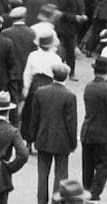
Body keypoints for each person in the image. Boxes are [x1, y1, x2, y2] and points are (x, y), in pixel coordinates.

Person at [30, 63, 78, 204]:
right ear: (66, 77)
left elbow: (34, 118)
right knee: (61, 175)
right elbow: (71, 123)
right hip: (62, 141)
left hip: (43, 138)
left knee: (42, 174)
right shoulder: (69, 96)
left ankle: (41, 201)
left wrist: (33, 137)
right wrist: (73, 143)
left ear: (52, 75)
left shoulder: (40, 92)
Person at [80, 57, 107, 202]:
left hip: (87, 131)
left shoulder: (88, 86)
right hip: (103, 134)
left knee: (88, 165)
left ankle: (87, 190)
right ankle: (94, 194)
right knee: (104, 165)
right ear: (106, 72)